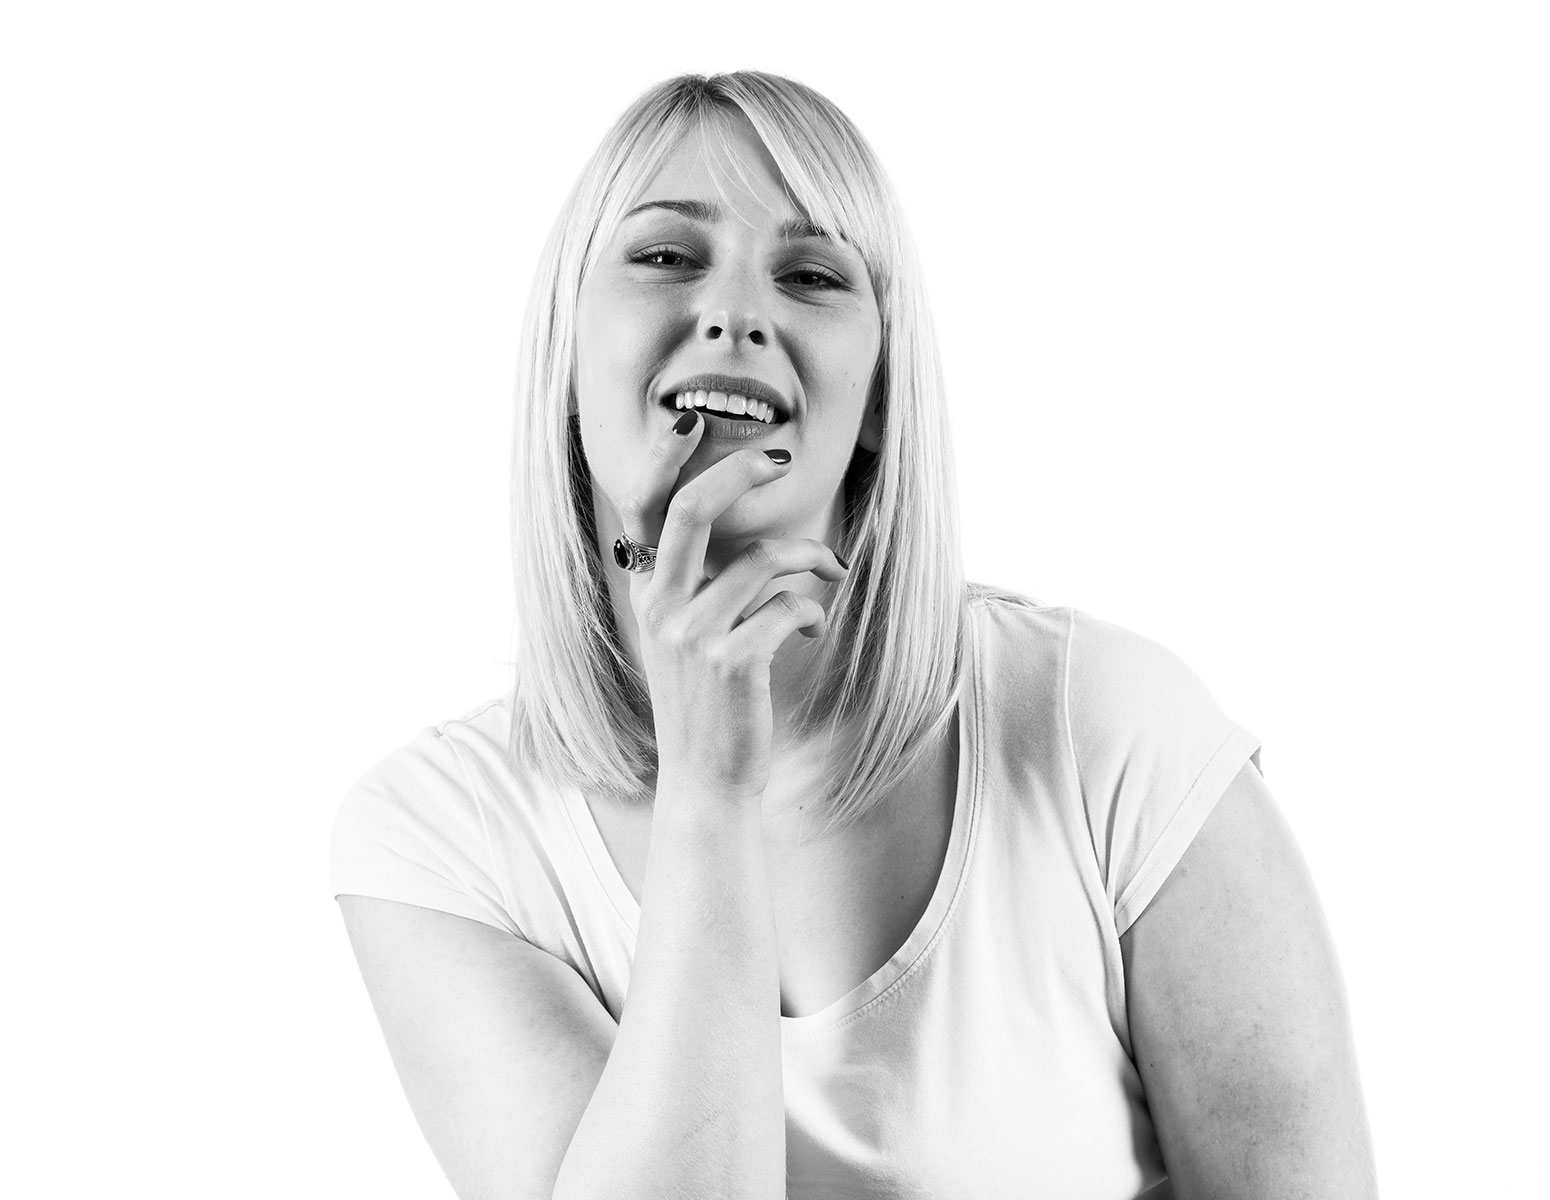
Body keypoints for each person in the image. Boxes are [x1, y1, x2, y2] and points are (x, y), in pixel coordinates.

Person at [330, 71, 1376, 1199]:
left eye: (812, 275)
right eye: (666, 255)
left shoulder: (1112, 733)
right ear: (567, 359)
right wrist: (708, 790)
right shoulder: (438, 836)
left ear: (877, 397)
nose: (736, 313)